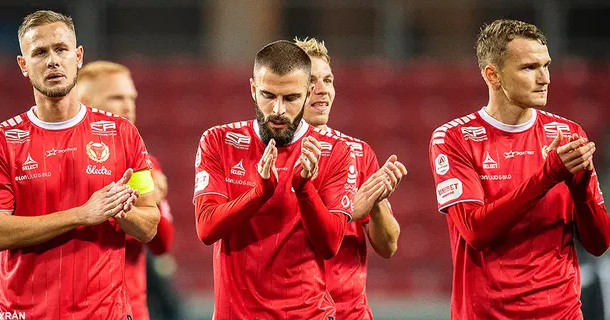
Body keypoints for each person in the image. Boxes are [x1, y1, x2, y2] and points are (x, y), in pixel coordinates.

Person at [0, 10, 160, 319]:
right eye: (40, 53)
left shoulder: (122, 133)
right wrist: (81, 214)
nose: (52, 61)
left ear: (78, 56)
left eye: (61, 49)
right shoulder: (2, 140)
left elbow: (149, 224)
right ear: (23, 65)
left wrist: (123, 212)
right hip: (28, 313)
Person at [428, 19, 609, 319]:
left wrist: (581, 188)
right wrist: (548, 176)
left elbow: (600, 242)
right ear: (493, 75)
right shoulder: (453, 138)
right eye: (529, 68)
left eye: (546, 65)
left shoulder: (566, 134)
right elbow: (476, 231)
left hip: (562, 313)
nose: (545, 78)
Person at [193, 40, 357, 319]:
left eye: (291, 98)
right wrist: (259, 192)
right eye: (268, 95)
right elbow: (206, 229)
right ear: (253, 88)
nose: (278, 110)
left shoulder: (335, 152)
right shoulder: (218, 141)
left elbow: (330, 245)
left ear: (308, 93)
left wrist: (304, 188)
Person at [295, 37, 406, 319]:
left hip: (350, 312)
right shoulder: (273, 153)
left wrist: (377, 201)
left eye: (328, 80)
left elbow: (388, 246)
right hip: (295, 310)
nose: (322, 90)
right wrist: (346, 211)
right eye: (311, 82)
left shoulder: (358, 152)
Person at [77, 61, 177, 320]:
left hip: (129, 308)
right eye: (116, 97)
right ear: (85, 101)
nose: (128, 106)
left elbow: (162, 243)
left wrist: (153, 199)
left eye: (131, 97)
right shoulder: (57, 159)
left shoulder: (144, 165)